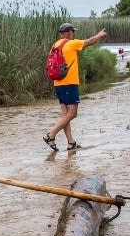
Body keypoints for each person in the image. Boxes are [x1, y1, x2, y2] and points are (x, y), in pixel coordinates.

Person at [42, 22, 107, 151]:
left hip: (58, 83)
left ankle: (71, 142)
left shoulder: (55, 45)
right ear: (68, 33)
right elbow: (91, 41)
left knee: (65, 114)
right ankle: (51, 134)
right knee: (72, 113)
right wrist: (99, 35)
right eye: (72, 32)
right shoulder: (71, 43)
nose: (73, 34)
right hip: (69, 83)